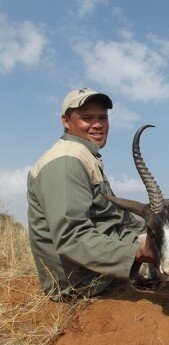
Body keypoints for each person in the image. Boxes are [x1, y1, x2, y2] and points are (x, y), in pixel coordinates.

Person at [27, 87, 156, 301]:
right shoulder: (66, 162)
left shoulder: (85, 156)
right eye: (87, 118)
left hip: (99, 268)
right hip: (81, 283)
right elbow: (72, 237)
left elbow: (118, 218)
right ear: (66, 121)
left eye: (102, 117)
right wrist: (138, 253)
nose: (97, 124)